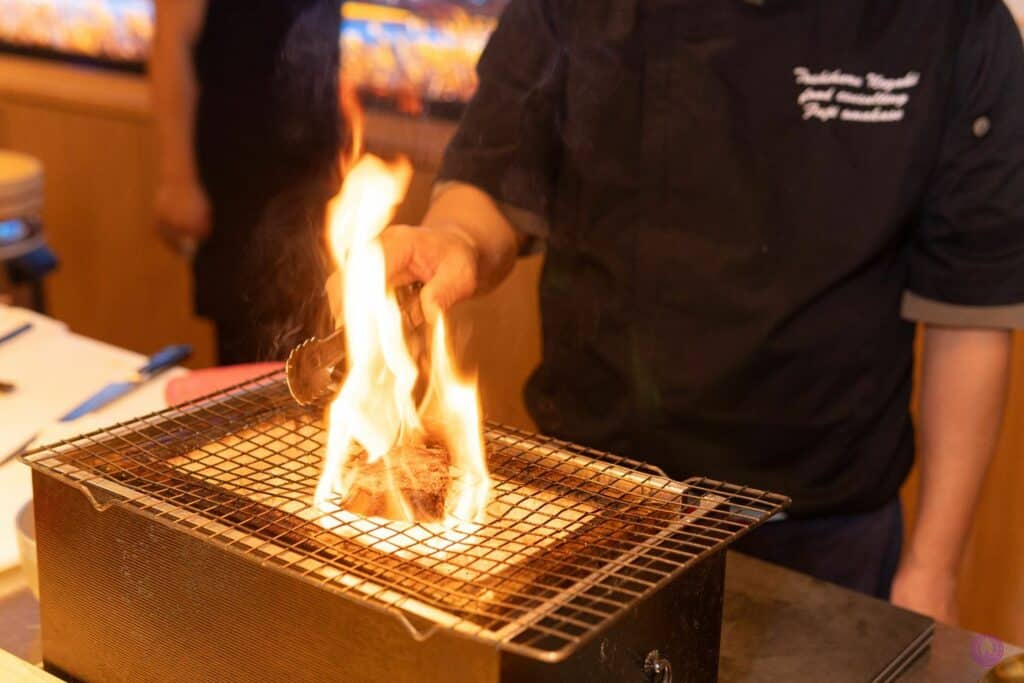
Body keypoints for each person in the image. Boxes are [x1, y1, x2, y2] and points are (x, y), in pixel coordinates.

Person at [380, 0, 1024, 623]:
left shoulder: (954, 22)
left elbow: (969, 314)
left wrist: (932, 571)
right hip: (596, 501)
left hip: (823, 530)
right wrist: (455, 242)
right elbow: (495, 173)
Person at [151, 0, 343, 363]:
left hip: (313, 179)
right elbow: (170, 43)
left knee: (323, 342)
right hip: (242, 178)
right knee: (250, 350)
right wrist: (177, 179)